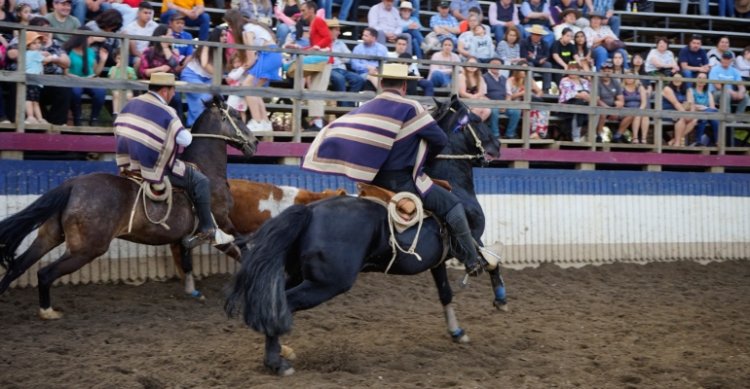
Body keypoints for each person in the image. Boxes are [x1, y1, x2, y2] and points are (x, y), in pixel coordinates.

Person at [301, 63, 482, 275]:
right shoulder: (411, 108)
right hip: (403, 182)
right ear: (404, 86)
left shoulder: (367, 108)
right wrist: (424, 160)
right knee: (453, 206)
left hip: (373, 182)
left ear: (381, 83)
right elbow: (440, 139)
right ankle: (471, 260)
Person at [114, 72, 234, 248]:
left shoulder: (131, 103)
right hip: (152, 167)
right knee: (200, 180)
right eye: (173, 91)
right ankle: (208, 229)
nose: (173, 95)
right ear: (164, 90)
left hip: (129, 165)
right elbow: (185, 140)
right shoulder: (166, 111)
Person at [138, 24, 184, 122]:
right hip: (152, 84)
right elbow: (144, 71)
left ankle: (178, 124)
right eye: (169, 35)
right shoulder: (148, 52)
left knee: (175, 99)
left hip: (168, 84)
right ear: (161, 36)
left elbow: (175, 66)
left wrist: (165, 48)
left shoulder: (174, 51)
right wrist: (160, 69)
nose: (172, 38)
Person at [63, 26, 108, 126]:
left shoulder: (91, 51)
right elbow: (65, 72)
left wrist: (103, 60)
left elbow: (96, 72)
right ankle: (77, 117)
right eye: (90, 37)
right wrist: (77, 78)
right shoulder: (69, 51)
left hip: (89, 80)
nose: (92, 40)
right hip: (74, 80)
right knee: (75, 92)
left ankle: (94, 118)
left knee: (100, 91)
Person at [180, 27, 225, 127]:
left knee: (219, 97)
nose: (225, 38)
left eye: (226, 35)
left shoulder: (225, 50)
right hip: (191, 75)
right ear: (216, 36)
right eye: (222, 35)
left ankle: (214, 124)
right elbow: (204, 64)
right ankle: (196, 125)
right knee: (204, 96)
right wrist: (218, 74)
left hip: (209, 78)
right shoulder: (206, 45)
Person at [328, 17, 365, 107]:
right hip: (330, 69)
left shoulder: (340, 43)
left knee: (358, 79)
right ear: (329, 30)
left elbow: (349, 57)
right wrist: (340, 56)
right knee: (340, 79)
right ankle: (345, 108)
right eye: (337, 30)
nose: (339, 33)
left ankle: (348, 105)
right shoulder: (323, 42)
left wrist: (338, 56)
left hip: (341, 69)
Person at [484, 56, 520, 138]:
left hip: (503, 104)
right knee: (494, 110)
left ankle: (510, 134)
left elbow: (508, 94)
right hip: (490, 104)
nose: (495, 66)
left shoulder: (504, 79)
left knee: (516, 111)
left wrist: (505, 104)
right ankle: (495, 134)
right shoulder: (484, 77)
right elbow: (483, 95)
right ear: (488, 65)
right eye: (493, 64)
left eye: (498, 64)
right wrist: (494, 104)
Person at [708, 51, 749, 118]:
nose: (726, 60)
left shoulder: (735, 71)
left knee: (745, 96)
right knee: (726, 95)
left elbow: (741, 85)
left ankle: (738, 118)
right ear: (721, 59)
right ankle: (727, 117)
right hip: (716, 93)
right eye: (724, 58)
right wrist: (732, 92)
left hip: (730, 93)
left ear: (731, 60)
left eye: (728, 59)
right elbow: (718, 86)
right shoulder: (714, 69)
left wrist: (741, 92)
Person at [557, 60, 590, 141]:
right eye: (570, 68)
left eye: (574, 68)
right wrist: (582, 95)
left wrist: (586, 96)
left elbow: (590, 93)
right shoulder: (564, 80)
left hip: (583, 103)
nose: (572, 70)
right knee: (579, 105)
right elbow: (569, 93)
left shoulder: (584, 81)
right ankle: (576, 136)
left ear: (579, 70)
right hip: (567, 104)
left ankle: (590, 134)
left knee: (596, 109)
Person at [662, 74, 696, 147]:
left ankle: (673, 141)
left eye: (679, 78)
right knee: (681, 118)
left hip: (680, 112)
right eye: (675, 78)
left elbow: (691, 103)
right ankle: (677, 143)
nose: (677, 80)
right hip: (667, 112)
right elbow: (675, 103)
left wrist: (692, 114)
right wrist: (685, 114)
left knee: (694, 119)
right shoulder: (667, 89)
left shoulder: (687, 89)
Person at [23, 31, 50, 124]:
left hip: (35, 81)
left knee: (34, 100)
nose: (37, 45)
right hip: (32, 80)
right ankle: (31, 117)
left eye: (39, 43)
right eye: (34, 43)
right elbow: (46, 60)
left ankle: (39, 118)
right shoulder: (34, 53)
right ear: (28, 45)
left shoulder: (30, 54)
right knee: (30, 99)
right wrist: (53, 57)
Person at [616, 70, 649, 144]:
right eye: (627, 77)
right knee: (636, 115)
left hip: (639, 109)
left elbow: (644, 102)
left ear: (635, 78)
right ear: (624, 78)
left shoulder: (640, 88)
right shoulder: (621, 88)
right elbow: (621, 101)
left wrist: (640, 110)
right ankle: (635, 138)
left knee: (645, 116)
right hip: (627, 110)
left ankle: (644, 138)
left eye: (631, 77)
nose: (629, 79)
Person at [122, 2, 158, 70]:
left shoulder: (155, 26)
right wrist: (145, 57)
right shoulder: (130, 27)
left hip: (152, 55)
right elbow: (134, 51)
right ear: (138, 13)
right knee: (139, 60)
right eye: (145, 13)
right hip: (136, 56)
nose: (148, 15)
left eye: (150, 13)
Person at [595, 60, 623, 142]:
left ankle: (618, 135)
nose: (607, 73)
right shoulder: (597, 81)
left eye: (609, 71)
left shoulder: (616, 82)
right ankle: (599, 135)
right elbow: (597, 100)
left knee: (631, 114)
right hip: (601, 107)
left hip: (613, 107)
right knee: (603, 113)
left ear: (612, 71)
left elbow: (621, 99)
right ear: (601, 71)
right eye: (605, 71)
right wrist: (609, 110)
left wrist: (615, 110)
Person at [520, 24, 552, 94]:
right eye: (535, 34)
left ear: (541, 36)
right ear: (531, 34)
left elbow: (546, 56)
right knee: (529, 65)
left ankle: (546, 89)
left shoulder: (545, 43)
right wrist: (537, 60)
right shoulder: (524, 42)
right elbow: (524, 56)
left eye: (539, 35)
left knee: (548, 65)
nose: (536, 36)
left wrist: (534, 57)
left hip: (540, 63)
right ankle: (532, 88)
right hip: (530, 62)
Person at [690, 72, 720, 146]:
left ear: (706, 82)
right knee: (705, 117)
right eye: (699, 78)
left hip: (708, 114)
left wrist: (705, 108)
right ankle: (699, 141)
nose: (701, 80)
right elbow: (692, 105)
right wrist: (705, 108)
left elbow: (712, 107)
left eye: (704, 78)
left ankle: (715, 142)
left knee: (714, 120)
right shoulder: (691, 91)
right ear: (696, 80)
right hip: (697, 113)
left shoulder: (708, 92)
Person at [457, 56, 491, 121]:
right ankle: (468, 127)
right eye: (470, 64)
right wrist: (474, 97)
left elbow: (481, 92)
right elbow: (462, 93)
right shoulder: (462, 76)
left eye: (474, 64)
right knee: (477, 110)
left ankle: (476, 127)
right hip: (464, 100)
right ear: (466, 65)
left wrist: (476, 97)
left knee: (487, 110)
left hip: (476, 100)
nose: (472, 66)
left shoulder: (480, 77)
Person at [108, 47, 137, 119]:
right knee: (117, 94)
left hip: (127, 89)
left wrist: (130, 75)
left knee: (130, 96)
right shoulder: (113, 68)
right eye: (119, 58)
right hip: (115, 88)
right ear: (115, 59)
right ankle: (116, 114)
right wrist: (116, 68)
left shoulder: (130, 69)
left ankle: (127, 114)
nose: (121, 61)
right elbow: (111, 78)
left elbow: (133, 79)